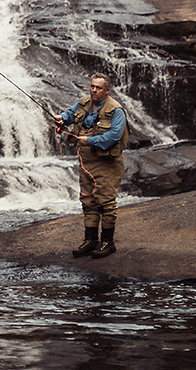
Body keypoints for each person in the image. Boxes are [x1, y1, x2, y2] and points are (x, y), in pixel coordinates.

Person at [54, 72, 129, 259]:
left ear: (107, 90)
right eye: (92, 86)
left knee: (106, 202)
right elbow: (70, 114)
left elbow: (114, 136)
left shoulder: (116, 110)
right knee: (88, 201)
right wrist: (62, 118)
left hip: (107, 163)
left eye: (98, 88)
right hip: (87, 162)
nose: (94, 90)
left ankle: (108, 243)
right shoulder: (84, 103)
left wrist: (90, 141)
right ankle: (91, 240)